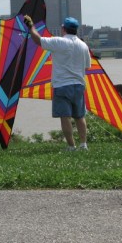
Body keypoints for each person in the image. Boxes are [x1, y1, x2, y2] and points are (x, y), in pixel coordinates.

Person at [24, 15, 91, 151]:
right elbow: (87, 67)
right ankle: (83, 145)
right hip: (78, 85)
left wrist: (31, 27)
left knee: (65, 116)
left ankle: (71, 146)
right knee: (79, 116)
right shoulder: (84, 46)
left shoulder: (59, 42)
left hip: (62, 85)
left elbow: (38, 40)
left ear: (63, 29)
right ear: (76, 30)